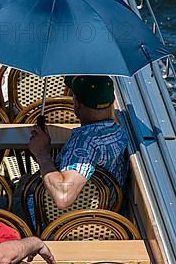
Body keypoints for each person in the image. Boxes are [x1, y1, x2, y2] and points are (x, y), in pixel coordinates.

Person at [28, 75, 128, 210]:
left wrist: (42, 154)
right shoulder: (119, 132)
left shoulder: (85, 143)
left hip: (59, 222)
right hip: (104, 219)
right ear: (111, 101)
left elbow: (63, 197)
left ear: (76, 104)